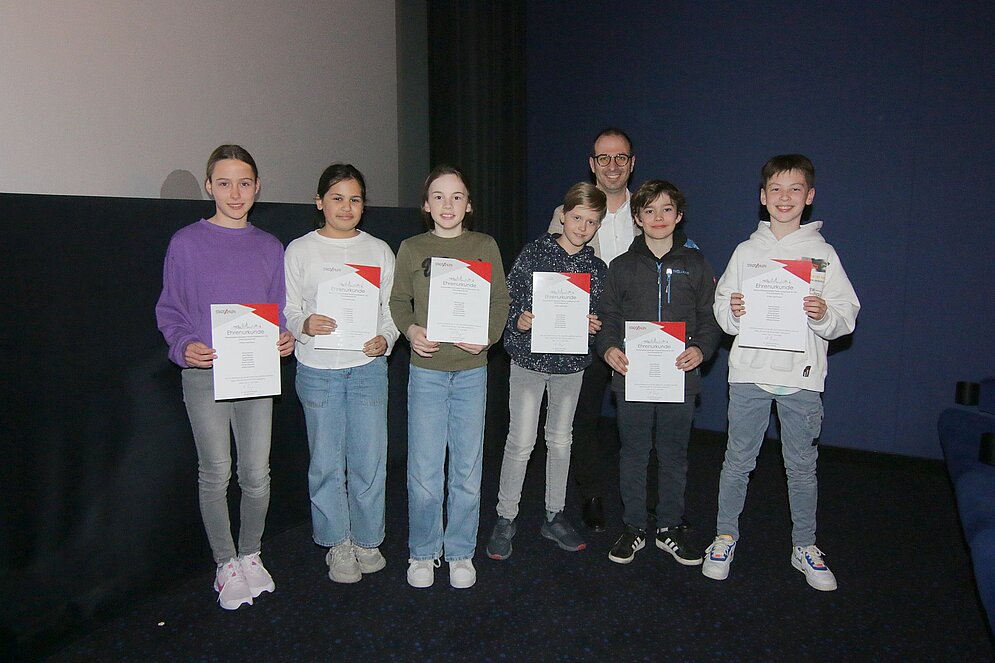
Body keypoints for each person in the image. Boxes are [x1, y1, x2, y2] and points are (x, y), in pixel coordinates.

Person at [702, 155, 859, 591]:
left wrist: (824, 313)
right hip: (750, 373)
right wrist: (733, 313)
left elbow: (847, 314)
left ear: (809, 197)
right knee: (737, 461)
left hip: (801, 377)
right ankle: (724, 535)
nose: (784, 197)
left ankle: (804, 545)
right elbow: (722, 308)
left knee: (802, 466)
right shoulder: (746, 252)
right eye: (775, 189)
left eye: (794, 189)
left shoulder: (823, 254)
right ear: (762, 197)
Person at [155, 145, 294, 610]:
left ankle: (251, 554)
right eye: (225, 182)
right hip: (206, 373)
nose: (236, 193)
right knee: (215, 473)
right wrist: (183, 347)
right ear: (209, 186)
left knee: (256, 473)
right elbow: (170, 309)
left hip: (255, 377)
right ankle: (224, 563)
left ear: (257, 187)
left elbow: (278, 314)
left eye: (245, 182)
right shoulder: (186, 243)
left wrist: (284, 338)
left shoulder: (270, 246)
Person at [547, 128, 699, 531]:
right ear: (592, 163)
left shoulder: (649, 206)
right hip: (585, 332)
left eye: (620, 158)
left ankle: (656, 503)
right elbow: (548, 273)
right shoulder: (573, 207)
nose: (612, 166)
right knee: (585, 419)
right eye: (603, 158)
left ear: (631, 163)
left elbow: (678, 255)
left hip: (649, 339)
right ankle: (592, 494)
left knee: (649, 424)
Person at [389, 165, 510, 589]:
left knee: (466, 468)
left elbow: (500, 302)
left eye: (456, 196)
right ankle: (423, 551)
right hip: (426, 373)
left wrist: (489, 338)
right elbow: (399, 302)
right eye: (438, 197)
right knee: (423, 469)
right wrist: (410, 330)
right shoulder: (410, 248)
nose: (447, 205)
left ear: (469, 205)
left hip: (472, 372)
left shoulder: (484, 245)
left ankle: (460, 551)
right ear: (426, 205)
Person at [284, 164, 399, 584]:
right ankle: (338, 543)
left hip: (368, 368)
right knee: (327, 464)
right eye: (337, 198)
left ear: (363, 205)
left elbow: (392, 312)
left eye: (354, 198)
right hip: (318, 371)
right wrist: (303, 324)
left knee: (370, 461)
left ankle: (368, 539)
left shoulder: (380, 250)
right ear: (320, 202)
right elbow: (289, 307)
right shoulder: (300, 250)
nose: (346, 207)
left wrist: (385, 338)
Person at [597, 180, 721, 565]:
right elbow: (607, 317)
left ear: (679, 215)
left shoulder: (696, 264)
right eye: (649, 210)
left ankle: (668, 526)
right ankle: (633, 526)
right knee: (633, 452)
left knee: (672, 454)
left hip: (679, 378)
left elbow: (710, 318)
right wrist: (609, 349)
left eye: (667, 210)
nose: (658, 218)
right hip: (631, 375)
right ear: (637, 217)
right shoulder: (620, 267)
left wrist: (701, 348)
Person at [486, 183, 609, 560]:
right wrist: (519, 321)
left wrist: (593, 326)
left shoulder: (597, 269)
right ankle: (506, 517)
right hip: (529, 363)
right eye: (577, 218)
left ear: (599, 225)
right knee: (521, 442)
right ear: (563, 214)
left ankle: (554, 515)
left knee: (560, 441)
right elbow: (508, 301)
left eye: (591, 222)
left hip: (570, 366)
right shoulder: (533, 254)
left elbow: (602, 316)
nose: (582, 227)